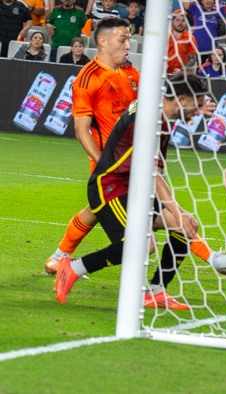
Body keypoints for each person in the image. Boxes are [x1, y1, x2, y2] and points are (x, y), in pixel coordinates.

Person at [54, 74, 226, 308]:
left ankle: (156, 291)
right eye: (196, 105)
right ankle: (72, 267)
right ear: (181, 99)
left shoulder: (160, 112)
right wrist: (176, 208)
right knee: (145, 244)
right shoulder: (151, 121)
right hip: (110, 187)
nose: (198, 113)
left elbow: (153, 171)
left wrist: (178, 212)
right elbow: (151, 171)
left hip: (134, 186)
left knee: (183, 227)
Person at [44, 17, 139, 275]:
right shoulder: (87, 78)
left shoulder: (131, 73)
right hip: (109, 163)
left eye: (129, 39)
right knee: (151, 215)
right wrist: (102, 162)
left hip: (134, 158)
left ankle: (60, 256)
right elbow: (80, 129)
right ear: (103, 41)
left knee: (97, 211)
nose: (129, 44)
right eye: (123, 39)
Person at [166, 9, 197, 74]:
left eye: (183, 21)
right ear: (172, 21)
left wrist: (181, 70)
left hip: (182, 75)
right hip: (163, 72)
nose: (180, 23)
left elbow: (193, 59)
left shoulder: (190, 38)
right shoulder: (165, 35)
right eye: (177, 20)